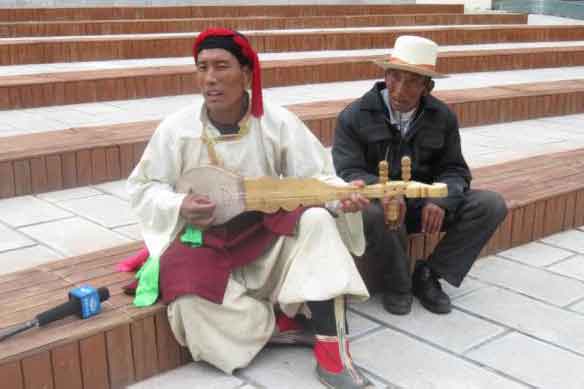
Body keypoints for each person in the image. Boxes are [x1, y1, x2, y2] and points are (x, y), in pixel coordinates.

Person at [127, 28, 374, 389]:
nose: (209, 78)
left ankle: (332, 351)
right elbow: (143, 186)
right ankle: (279, 325)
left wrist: (342, 196)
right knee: (187, 301)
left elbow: (317, 177)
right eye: (202, 67)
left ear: (247, 74)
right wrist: (180, 204)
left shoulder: (277, 123)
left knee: (319, 219)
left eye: (221, 66)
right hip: (207, 240)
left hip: (265, 234)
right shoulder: (176, 129)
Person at [332, 35, 508, 316]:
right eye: (395, 77)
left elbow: (455, 169)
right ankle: (397, 284)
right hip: (384, 208)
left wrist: (441, 199)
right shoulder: (354, 116)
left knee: (491, 204)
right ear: (386, 75)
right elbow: (348, 171)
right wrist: (385, 191)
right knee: (375, 212)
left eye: (413, 81)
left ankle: (428, 275)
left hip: (425, 205)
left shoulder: (443, 116)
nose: (400, 90)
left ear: (428, 86)